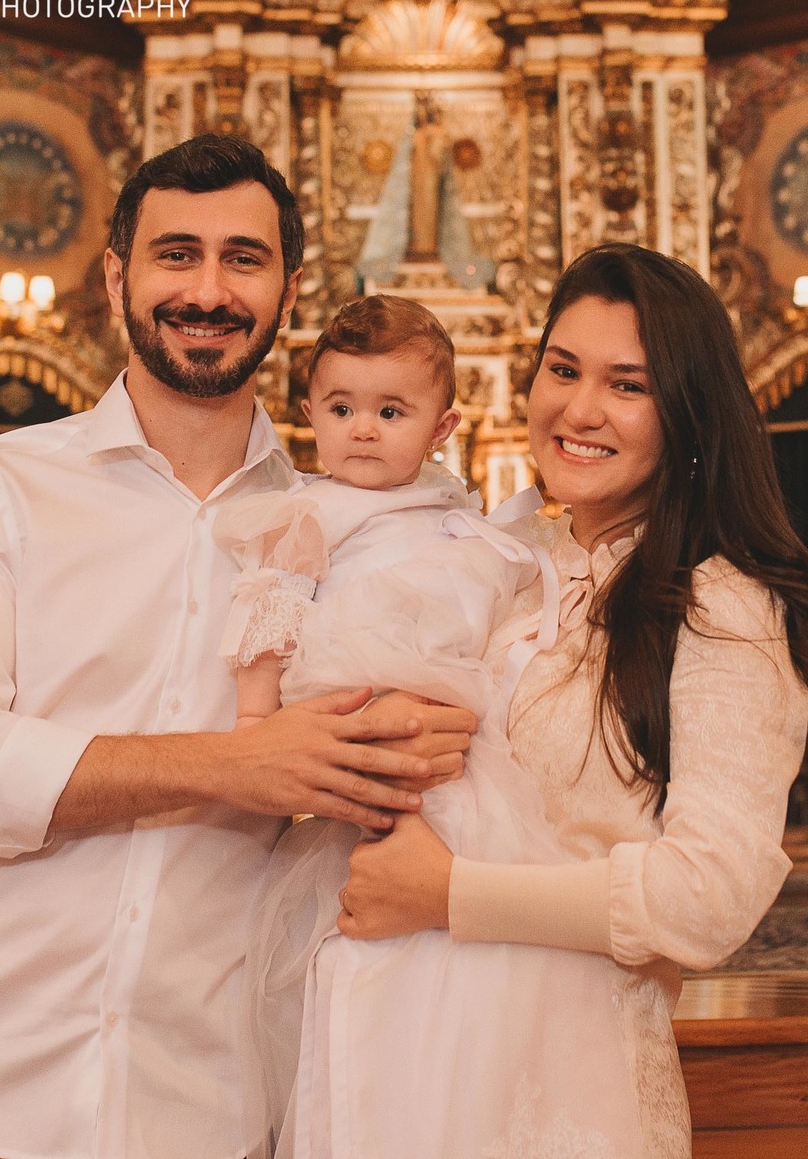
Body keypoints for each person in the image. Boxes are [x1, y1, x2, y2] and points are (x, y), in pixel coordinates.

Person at [0, 135, 474, 1159]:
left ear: (289, 288)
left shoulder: (347, 528)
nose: (208, 289)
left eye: (243, 259)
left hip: (202, 1099)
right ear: (116, 274)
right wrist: (237, 764)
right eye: (176, 253)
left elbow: (418, 720)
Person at [336, 243, 808, 1157]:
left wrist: (447, 896)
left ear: (688, 413)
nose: (578, 410)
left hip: (565, 1085)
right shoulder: (505, 564)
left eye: (627, 385)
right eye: (563, 369)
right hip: (406, 1056)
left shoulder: (721, 605)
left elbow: (708, 897)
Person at [218, 295, 648, 1158]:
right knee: (365, 960)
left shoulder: (468, 516)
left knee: (487, 943)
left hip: (470, 751)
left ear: (443, 423)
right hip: (353, 715)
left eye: (390, 412)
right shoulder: (309, 514)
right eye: (341, 410)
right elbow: (271, 618)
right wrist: (254, 731)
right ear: (309, 415)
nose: (364, 432)